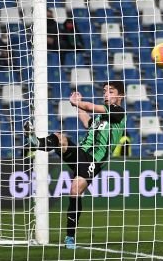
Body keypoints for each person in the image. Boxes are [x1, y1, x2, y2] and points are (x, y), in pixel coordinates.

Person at [25, 83, 127, 249]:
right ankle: (37, 142)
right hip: (81, 152)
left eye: (111, 92)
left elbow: (90, 106)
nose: (106, 95)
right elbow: (87, 121)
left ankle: (70, 238)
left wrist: (77, 103)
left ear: (120, 96)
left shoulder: (118, 113)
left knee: (75, 190)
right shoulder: (101, 118)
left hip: (94, 159)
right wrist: (78, 106)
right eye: (104, 91)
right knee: (60, 138)